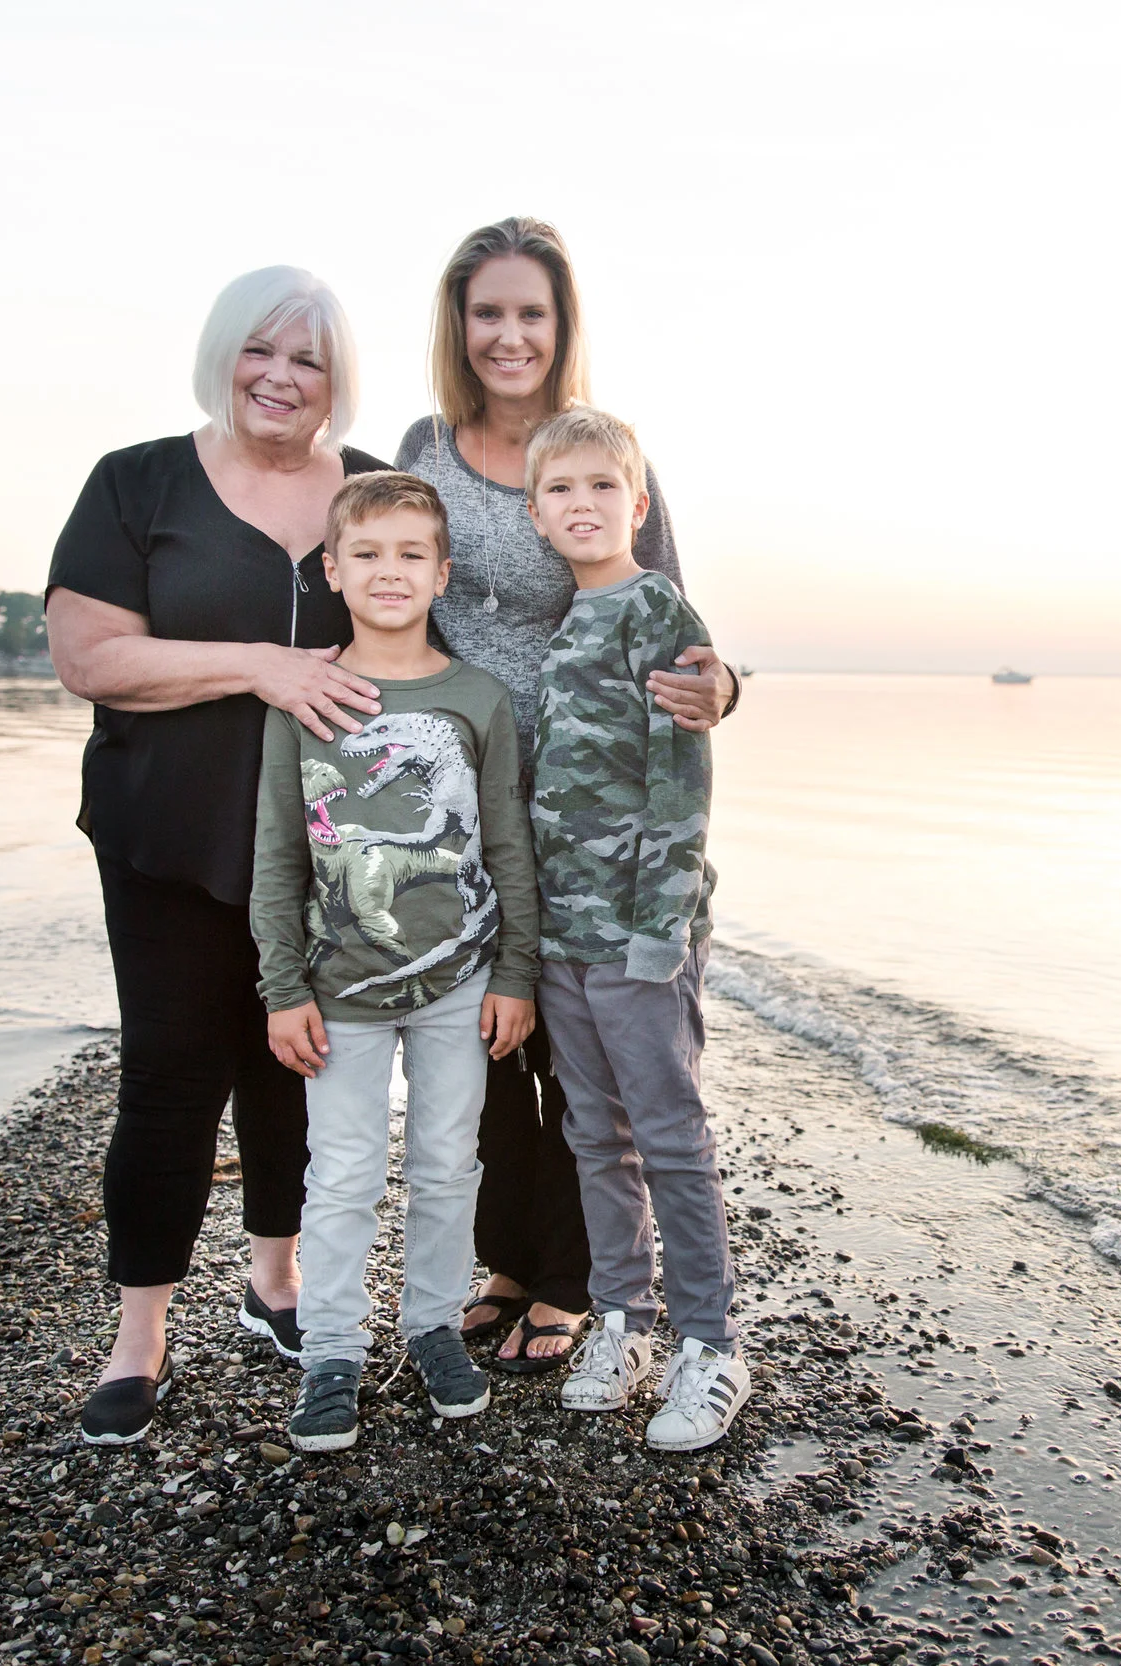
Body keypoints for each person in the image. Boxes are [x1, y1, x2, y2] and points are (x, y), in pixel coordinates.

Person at [47, 266, 391, 1446]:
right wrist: (260, 663)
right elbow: (90, 657)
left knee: (297, 1064)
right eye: (261, 351)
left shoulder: (375, 493)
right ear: (223, 355)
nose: (281, 377)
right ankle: (139, 1337)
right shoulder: (136, 482)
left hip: (327, 847)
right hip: (165, 834)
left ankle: (275, 1284)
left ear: (336, 382)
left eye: (308, 360)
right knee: (170, 1075)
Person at [393, 217, 739, 1374]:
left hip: (589, 804)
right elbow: (389, 582)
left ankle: (583, 1283)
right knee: (485, 1038)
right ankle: (510, 1255)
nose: (508, 335)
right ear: (460, 325)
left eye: (530, 313)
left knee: (586, 1056)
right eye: (487, 312)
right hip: (460, 789)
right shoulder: (423, 446)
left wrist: (724, 686)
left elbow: (676, 621)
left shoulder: (603, 456)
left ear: (560, 325)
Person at [250, 471, 540, 1446]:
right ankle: (332, 1350)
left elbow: (506, 843)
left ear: (442, 572)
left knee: (448, 1161)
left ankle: (430, 1324)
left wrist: (515, 973)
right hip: (341, 993)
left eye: (410, 553)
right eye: (366, 553)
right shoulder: (307, 695)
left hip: (461, 981)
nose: (388, 571)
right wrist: (281, 988)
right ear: (332, 568)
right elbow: (278, 854)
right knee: (340, 1173)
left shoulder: (475, 697)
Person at [521, 408, 749, 1452]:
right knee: (591, 1134)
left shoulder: (658, 613)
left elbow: (680, 784)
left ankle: (711, 1344)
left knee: (668, 1135)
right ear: (534, 513)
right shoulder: (564, 625)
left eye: (602, 488)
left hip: (638, 934)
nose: (582, 505)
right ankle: (624, 1323)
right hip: (566, 932)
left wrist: (660, 931)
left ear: (638, 505)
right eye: (560, 490)